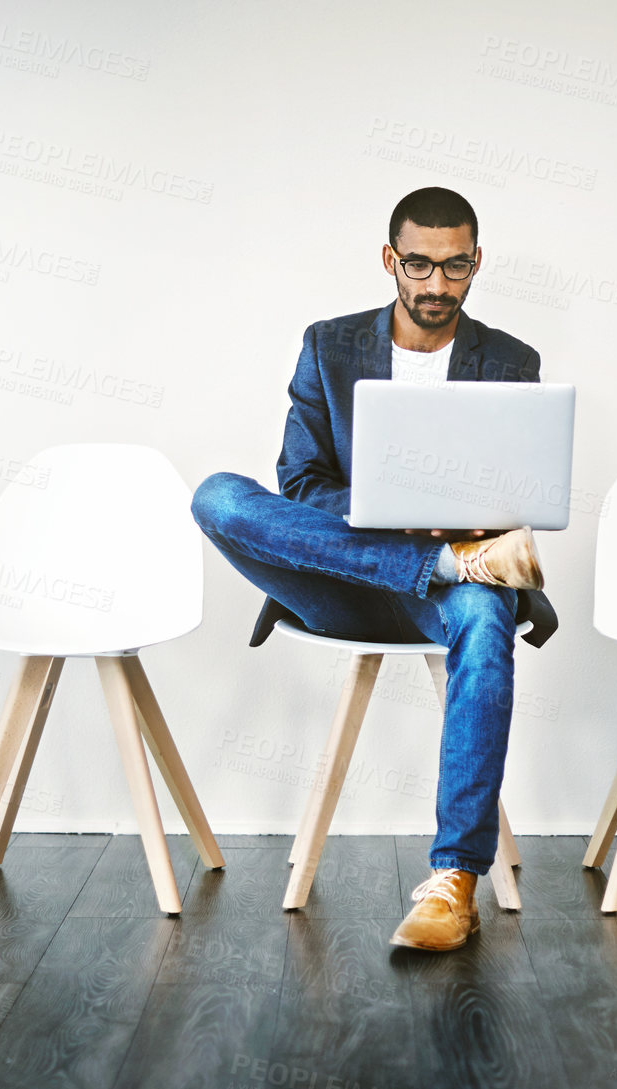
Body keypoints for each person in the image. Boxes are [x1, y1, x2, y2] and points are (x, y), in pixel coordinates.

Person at [189, 186, 557, 951]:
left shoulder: (511, 360)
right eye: (417, 264)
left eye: (454, 266)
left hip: (450, 592)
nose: (434, 284)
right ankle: (444, 562)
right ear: (390, 259)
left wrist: (468, 521)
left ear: (475, 264)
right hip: (339, 583)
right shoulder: (329, 345)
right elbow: (300, 487)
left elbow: (518, 493)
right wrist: (410, 529)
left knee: (487, 611)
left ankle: (453, 880)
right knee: (219, 496)